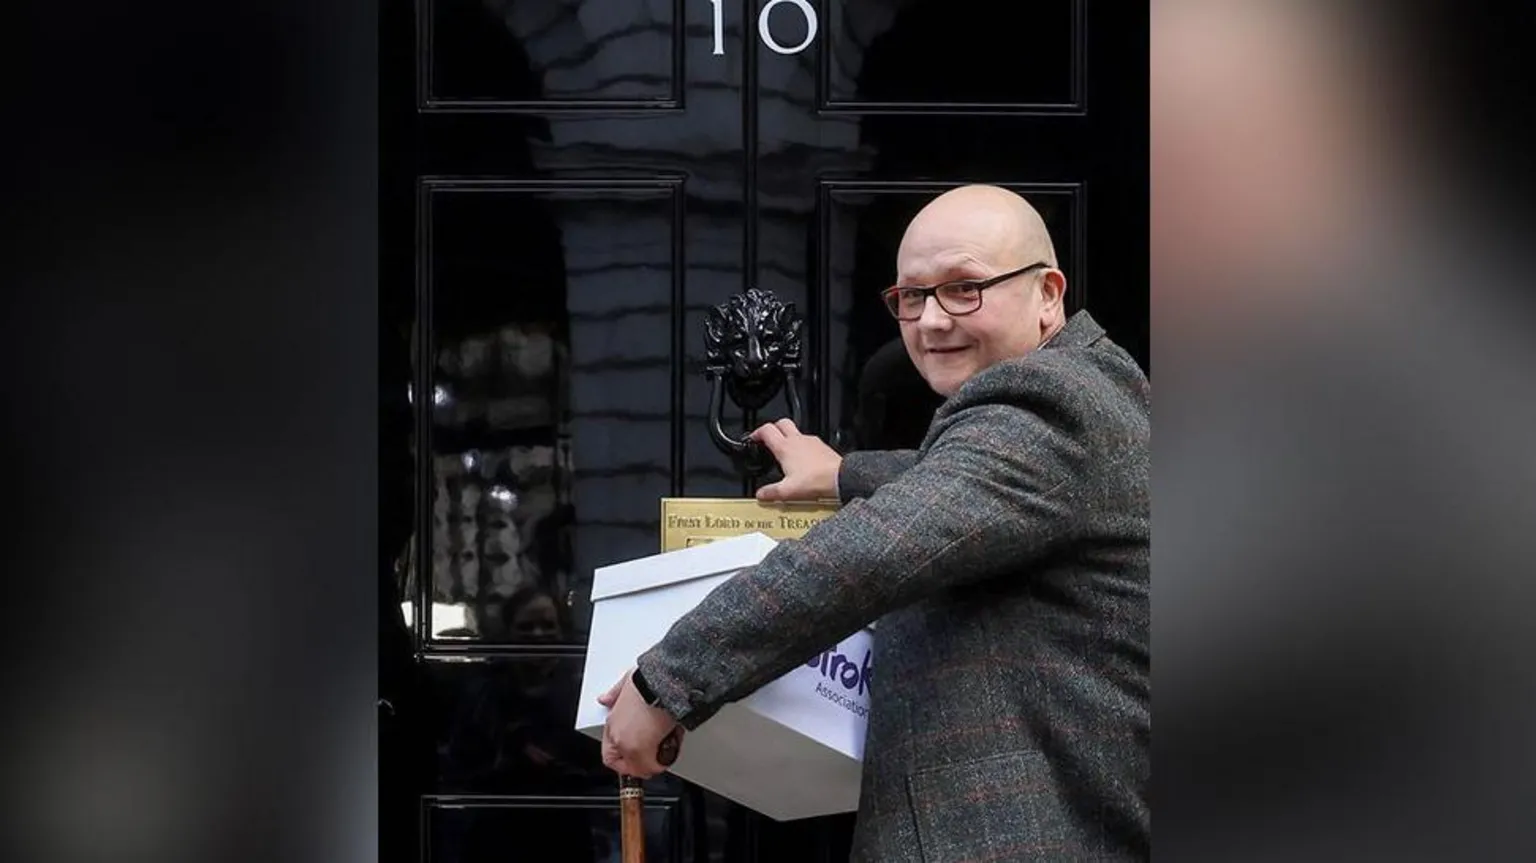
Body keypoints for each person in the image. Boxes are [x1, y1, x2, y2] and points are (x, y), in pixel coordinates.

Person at [598, 184, 1150, 861]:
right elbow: (966, 484)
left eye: (964, 288)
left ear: (1047, 293)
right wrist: (841, 475)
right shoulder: (1088, 392)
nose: (932, 321)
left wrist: (666, 683)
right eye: (911, 297)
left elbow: (871, 551)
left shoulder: (1048, 402)